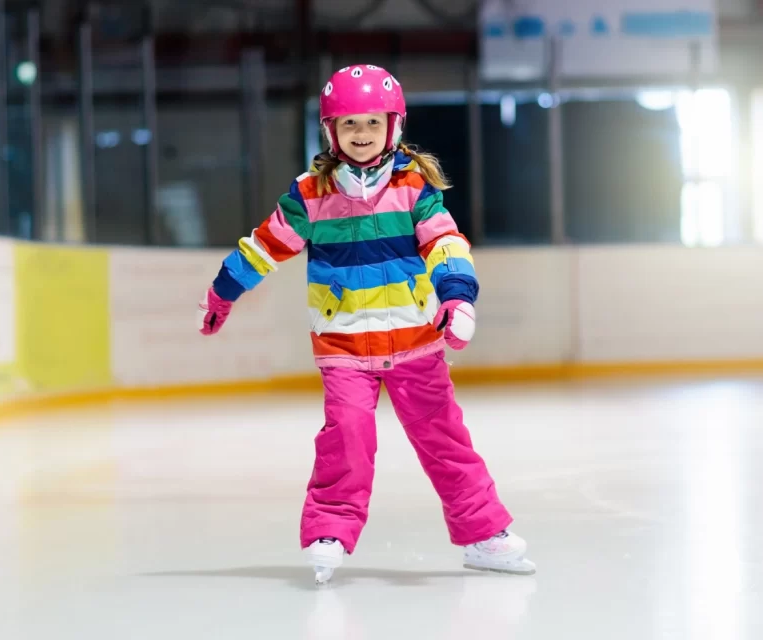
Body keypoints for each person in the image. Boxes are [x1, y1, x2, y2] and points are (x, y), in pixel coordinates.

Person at [198, 64, 535, 585]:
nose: (361, 135)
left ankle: (482, 535)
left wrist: (458, 297)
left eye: (372, 124)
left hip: (415, 342)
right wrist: (225, 290)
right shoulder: (311, 194)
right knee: (348, 436)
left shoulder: (413, 188)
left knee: (445, 439)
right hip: (345, 344)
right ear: (331, 132)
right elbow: (265, 246)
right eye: (349, 125)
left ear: (393, 127)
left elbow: (446, 243)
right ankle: (329, 530)